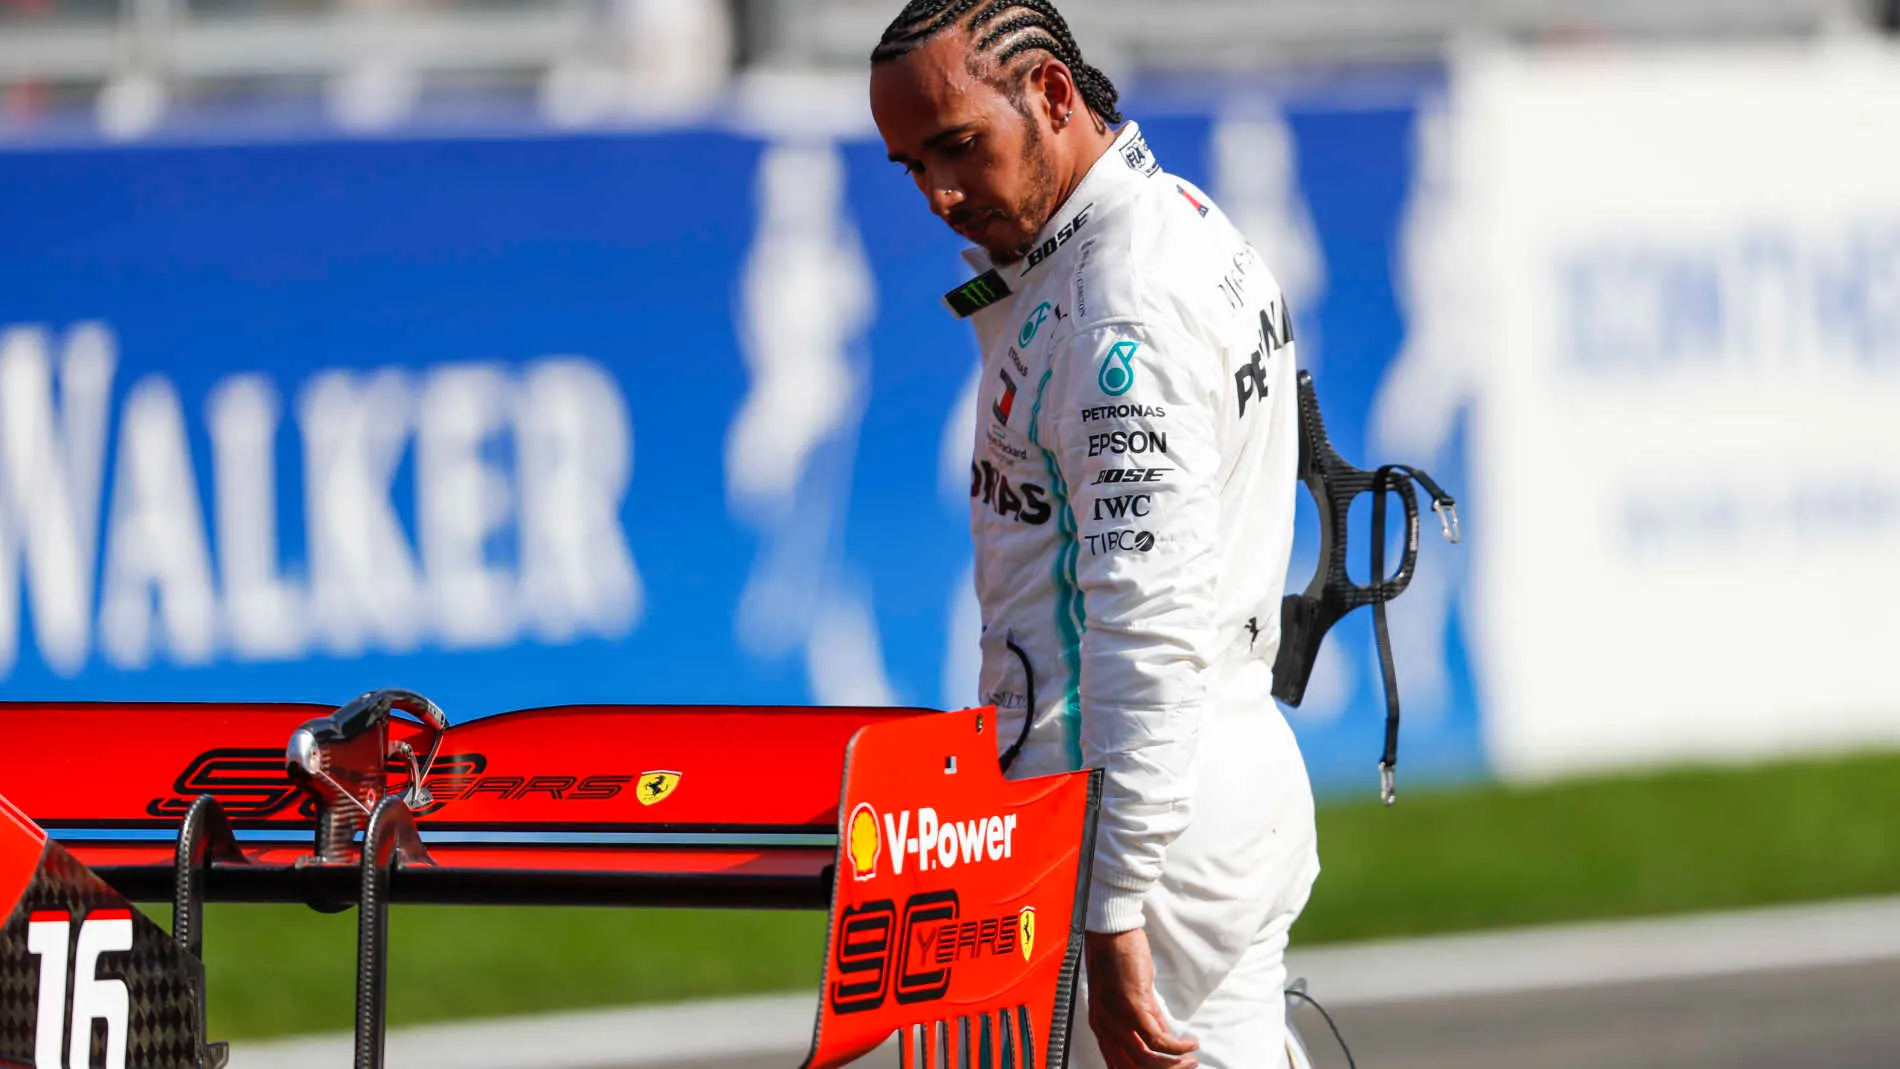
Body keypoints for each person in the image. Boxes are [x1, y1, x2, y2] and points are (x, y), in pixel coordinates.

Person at [868, 3, 1320, 1067]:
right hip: (1209, 768)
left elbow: (1145, 617)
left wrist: (1114, 900)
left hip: (1152, 807)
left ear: (1053, 97)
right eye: (908, 164)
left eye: (957, 145)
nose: (937, 194)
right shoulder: (1173, 216)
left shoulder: (1116, 307)